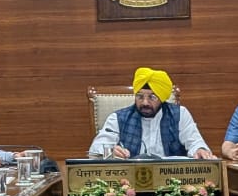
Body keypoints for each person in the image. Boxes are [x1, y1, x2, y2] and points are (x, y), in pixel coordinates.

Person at [87, 67, 215, 159]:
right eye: (140, 96)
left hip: (171, 180)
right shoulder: (118, 118)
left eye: (152, 97)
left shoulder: (180, 115)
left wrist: (200, 150)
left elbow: (195, 142)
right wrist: (110, 152)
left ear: (162, 98)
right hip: (129, 181)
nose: (145, 102)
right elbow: (95, 150)